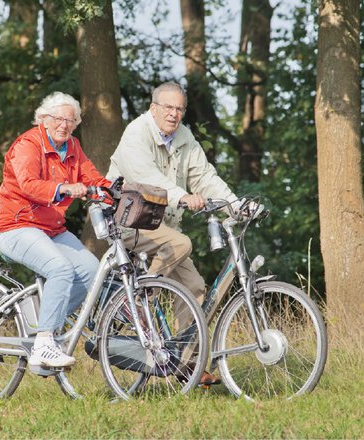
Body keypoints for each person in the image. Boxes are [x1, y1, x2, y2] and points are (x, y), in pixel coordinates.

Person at [107, 82, 243, 384]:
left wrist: (235, 206)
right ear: (153, 108)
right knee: (182, 243)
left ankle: (187, 365)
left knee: (194, 287)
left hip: (161, 226)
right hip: (127, 221)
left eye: (179, 108)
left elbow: (204, 175)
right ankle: (137, 303)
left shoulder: (184, 136)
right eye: (168, 107)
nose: (174, 114)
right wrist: (181, 196)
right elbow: (146, 177)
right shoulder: (136, 133)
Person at [0, 92, 110, 369]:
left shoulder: (73, 147)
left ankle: (43, 331)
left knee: (91, 272)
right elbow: (29, 184)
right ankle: (45, 342)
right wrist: (63, 188)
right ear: (43, 118)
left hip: (50, 228)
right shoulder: (28, 144)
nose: (64, 125)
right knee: (60, 269)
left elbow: (93, 178)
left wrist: (119, 192)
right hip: (14, 226)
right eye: (58, 118)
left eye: (71, 120)